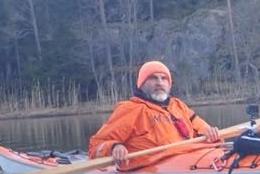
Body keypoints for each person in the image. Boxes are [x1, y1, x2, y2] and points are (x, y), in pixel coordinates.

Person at [88, 60, 221, 168]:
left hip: (192, 158)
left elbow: (201, 127)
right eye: (153, 78)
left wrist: (209, 133)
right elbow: (96, 145)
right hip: (153, 166)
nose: (159, 83)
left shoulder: (178, 106)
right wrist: (114, 147)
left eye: (164, 79)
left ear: (169, 84)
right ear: (142, 84)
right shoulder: (131, 109)